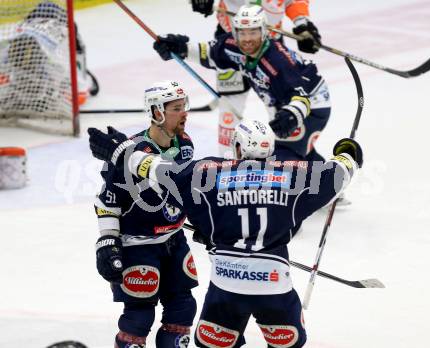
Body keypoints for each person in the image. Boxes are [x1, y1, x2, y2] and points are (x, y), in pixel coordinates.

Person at [87, 118, 363, 347]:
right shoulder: (295, 175)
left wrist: (122, 151)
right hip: (275, 287)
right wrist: (347, 152)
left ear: (239, 147)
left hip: (226, 288)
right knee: (286, 343)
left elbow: (158, 170)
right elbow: (340, 173)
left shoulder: (207, 172)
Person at [93, 81, 198, 348]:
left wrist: (206, 222)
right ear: (157, 112)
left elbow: (184, 188)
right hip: (138, 245)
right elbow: (108, 199)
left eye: (184, 106)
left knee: (183, 307)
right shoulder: (128, 150)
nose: (184, 113)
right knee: (139, 316)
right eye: (177, 108)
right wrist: (107, 241)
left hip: (174, 240)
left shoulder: (185, 144)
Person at [154, 4, 330, 163]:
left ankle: (325, 187)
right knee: (287, 151)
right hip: (285, 103)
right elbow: (209, 53)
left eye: (253, 32)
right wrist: (180, 48)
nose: (247, 39)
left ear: (264, 32)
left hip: (311, 106)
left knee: (283, 157)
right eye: (242, 33)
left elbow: (302, 96)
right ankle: (329, 182)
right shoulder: (233, 45)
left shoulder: (278, 62)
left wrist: (292, 115)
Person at [190, 0, 322, 155]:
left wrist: (302, 23)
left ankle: (285, 155)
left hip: (269, 45)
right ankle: (227, 163)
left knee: (281, 108)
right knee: (230, 107)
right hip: (230, 41)